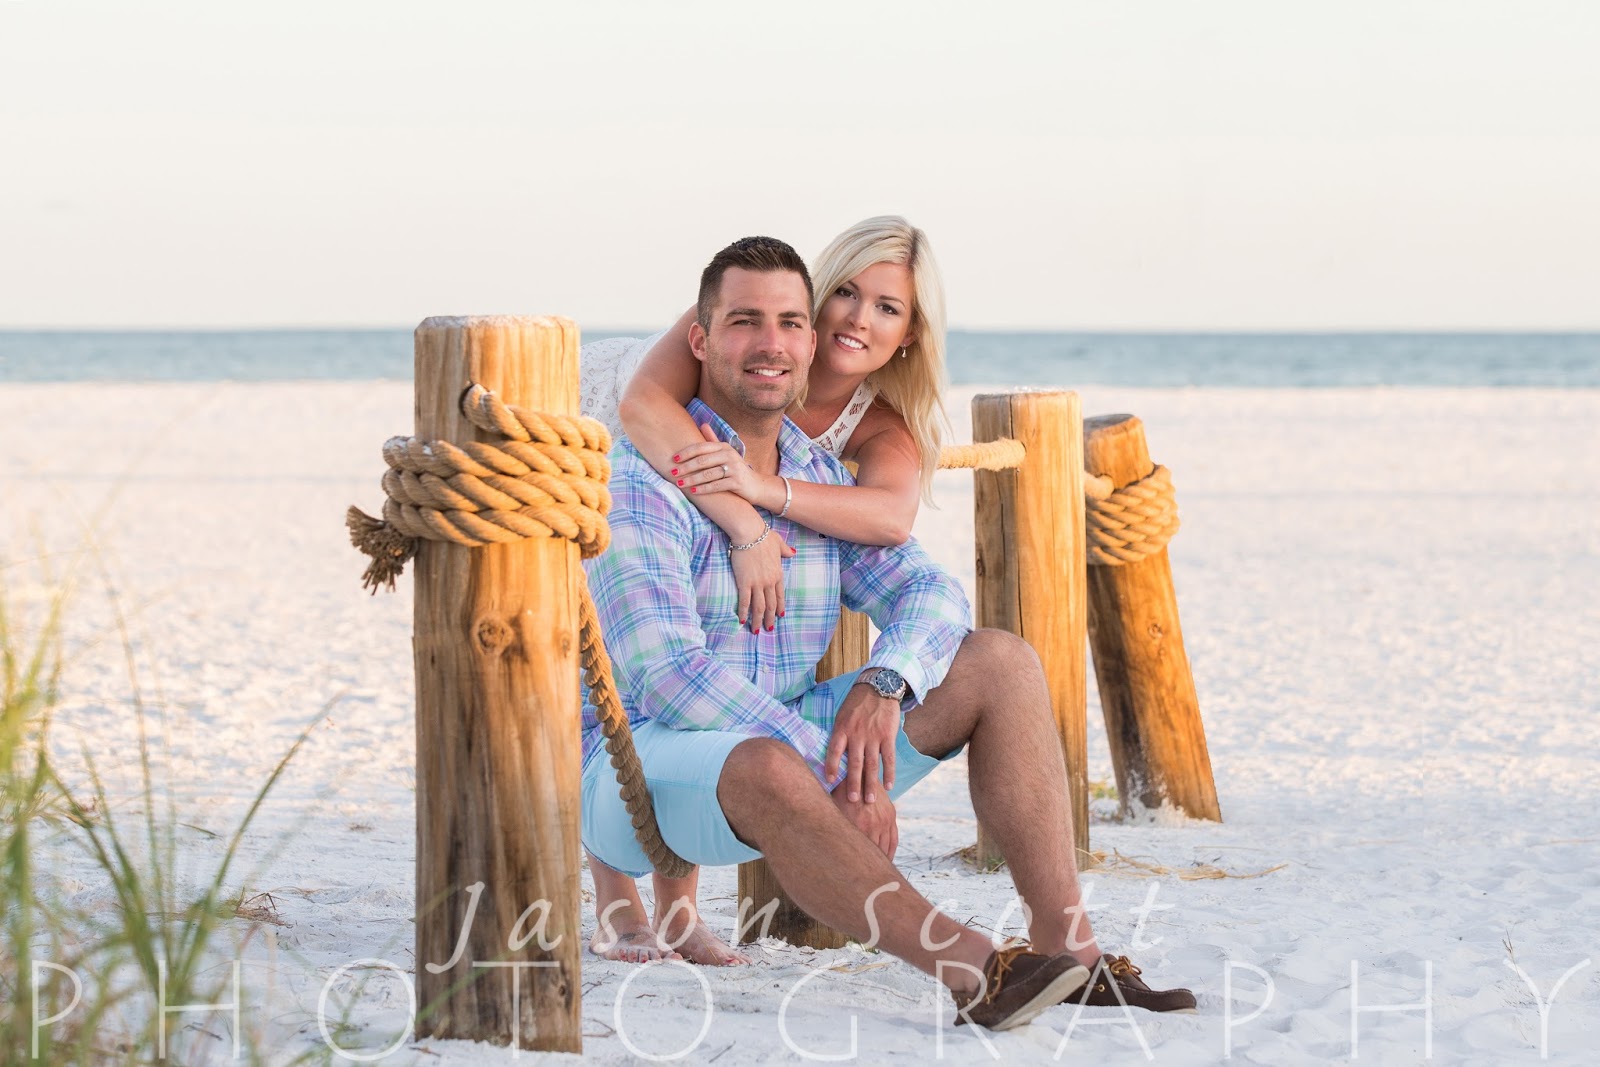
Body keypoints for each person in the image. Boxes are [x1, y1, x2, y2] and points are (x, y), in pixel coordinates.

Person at [579, 236, 1196, 1028]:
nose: (770, 344)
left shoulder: (822, 479)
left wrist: (884, 682)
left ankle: (1067, 949)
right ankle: (980, 968)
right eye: (744, 322)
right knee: (767, 757)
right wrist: (833, 770)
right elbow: (668, 678)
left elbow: (930, 595)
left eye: (789, 324)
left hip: (796, 758)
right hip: (644, 781)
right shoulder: (642, 475)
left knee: (998, 662)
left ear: (809, 344)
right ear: (699, 340)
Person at [582, 216, 947, 966]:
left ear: (910, 333)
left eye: (888, 307)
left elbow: (887, 517)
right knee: (618, 643)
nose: (857, 317)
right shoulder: (744, 328)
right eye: (844, 291)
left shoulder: (870, 424)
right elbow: (647, 412)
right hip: (628, 434)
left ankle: (678, 912)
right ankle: (619, 899)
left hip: (745, 464)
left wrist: (773, 491)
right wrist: (748, 527)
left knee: (719, 637)